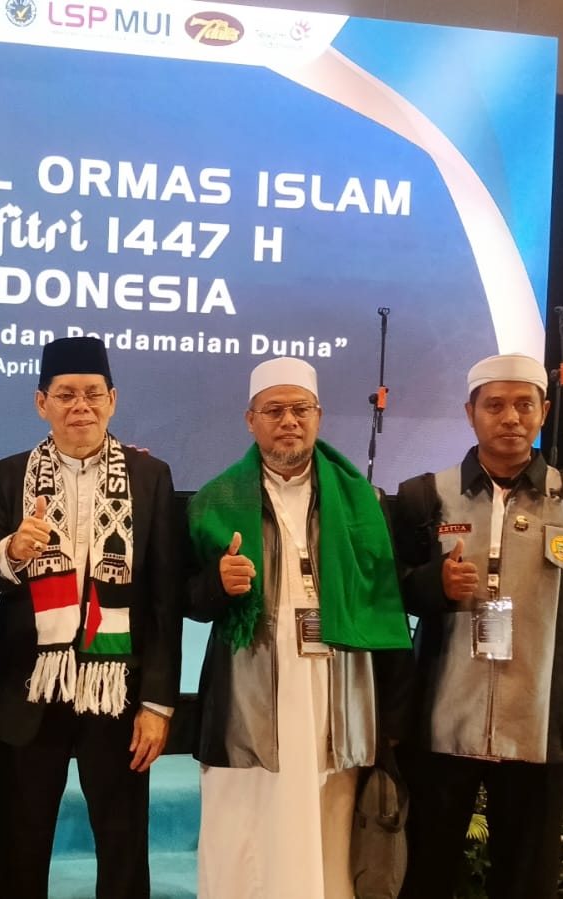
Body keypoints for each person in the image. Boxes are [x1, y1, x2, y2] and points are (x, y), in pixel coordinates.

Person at [392, 353, 563, 899]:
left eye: (524, 405)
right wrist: (433, 585)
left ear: (543, 412)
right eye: (494, 405)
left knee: (527, 878)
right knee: (425, 871)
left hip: (540, 723)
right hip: (441, 720)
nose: (511, 418)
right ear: (470, 413)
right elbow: (389, 595)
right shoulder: (424, 497)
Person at [186, 357, 414, 899]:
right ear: (251, 421)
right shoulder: (214, 501)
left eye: (300, 409)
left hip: (334, 685)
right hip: (247, 690)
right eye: (274, 411)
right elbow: (187, 602)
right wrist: (218, 584)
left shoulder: (363, 502)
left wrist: (394, 714)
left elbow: (385, 608)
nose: (288, 421)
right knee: (244, 820)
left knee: (328, 818)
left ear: (318, 416)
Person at [0, 336, 182, 899]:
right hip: (29, 685)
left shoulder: (150, 476)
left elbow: (163, 599)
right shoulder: (7, 477)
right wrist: (11, 553)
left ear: (112, 399)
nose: (80, 406)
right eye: (65, 395)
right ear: (42, 403)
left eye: (92, 394)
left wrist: (158, 702)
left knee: (122, 843)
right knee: (19, 843)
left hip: (119, 689)